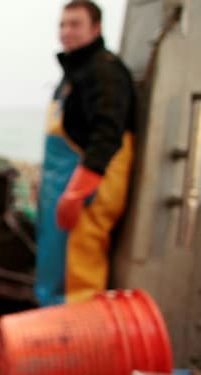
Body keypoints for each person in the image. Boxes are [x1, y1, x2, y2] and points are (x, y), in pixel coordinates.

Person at [35, 0, 135, 306]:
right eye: (62, 25)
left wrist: (77, 193)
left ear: (96, 28)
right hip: (58, 188)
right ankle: (50, 339)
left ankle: (78, 346)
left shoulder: (105, 72)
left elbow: (107, 135)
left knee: (78, 275)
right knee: (54, 271)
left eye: (75, 24)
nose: (66, 32)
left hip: (84, 192)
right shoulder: (73, 72)